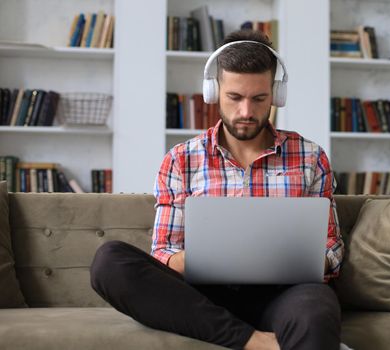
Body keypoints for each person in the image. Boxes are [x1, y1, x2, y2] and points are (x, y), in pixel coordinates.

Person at [90, 29, 344, 350]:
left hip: (284, 293)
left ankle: (243, 334)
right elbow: (164, 251)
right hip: (202, 295)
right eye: (235, 97)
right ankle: (253, 340)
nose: (246, 112)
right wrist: (217, 259)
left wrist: (298, 259)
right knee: (109, 262)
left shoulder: (310, 156)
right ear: (213, 92)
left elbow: (331, 247)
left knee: (317, 311)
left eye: (259, 98)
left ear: (276, 95)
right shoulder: (181, 160)